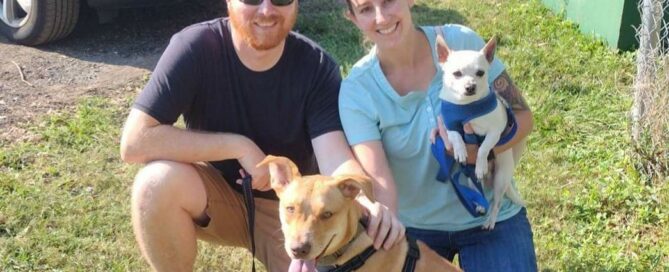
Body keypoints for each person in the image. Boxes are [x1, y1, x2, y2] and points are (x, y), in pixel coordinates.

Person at [119, 0, 399, 271]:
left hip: (293, 211)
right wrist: (237, 146)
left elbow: (334, 158)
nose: (267, 10)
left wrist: (365, 200)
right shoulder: (194, 47)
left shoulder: (315, 66)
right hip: (213, 195)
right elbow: (135, 141)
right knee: (155, 183)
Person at [339, 0, 538, 271]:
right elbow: (379, 181)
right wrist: (389, 230)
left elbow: (523, 117)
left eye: (388, 2)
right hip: (413, 227)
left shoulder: (461, 42)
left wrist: (481, 152)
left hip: (490, 218)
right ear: (352, 18)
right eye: (365, 9)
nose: (381, 18)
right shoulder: (357, 90)